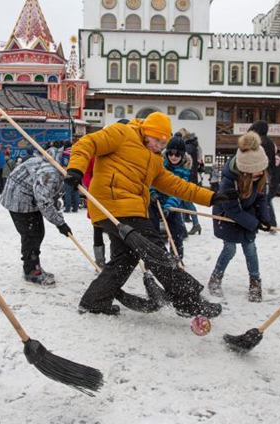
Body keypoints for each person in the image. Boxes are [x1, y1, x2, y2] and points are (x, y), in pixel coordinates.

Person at [64, 112, 235, 317]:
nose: (159, 147)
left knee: (125, 257)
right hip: (112, 204)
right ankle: (188, 300)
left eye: (163, 143)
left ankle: (95, 300)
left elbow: (175, 184)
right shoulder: (121, 133)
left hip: (132, 209)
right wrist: (76, 169)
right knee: (155, 250)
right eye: (157, 140)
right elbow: (87, 142)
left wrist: (211, 197)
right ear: (146, 131)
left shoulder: (153, 159)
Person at [207, 132, 273, 302]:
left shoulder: (259, 176)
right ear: (245, 170)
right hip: (226, 217)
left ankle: (255, 282)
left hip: (247, 214)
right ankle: (216, 277)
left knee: (250, 249)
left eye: (261, 170)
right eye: (255, 171)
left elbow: (260, 197)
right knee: (230, 249)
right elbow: (232, 210)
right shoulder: (229, 181)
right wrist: (254, 223)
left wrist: (265, 218)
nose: (259, 173)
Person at [0, 151, 71, 287]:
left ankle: (34, 265)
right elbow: (44, 201)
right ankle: (31, 271)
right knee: (31, 235)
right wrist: (60, 223)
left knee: (38, 233)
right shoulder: (50, 172)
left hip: (29, 199)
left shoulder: (53, 164)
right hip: (19, 201)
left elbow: (49, 195)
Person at [149, 133, 190, 259]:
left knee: (177, 231)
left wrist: (169, 206)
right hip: (155, 201)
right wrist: (152, 192)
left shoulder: (185, 170)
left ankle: (176, 257)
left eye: (177, 154)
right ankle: (155, 256)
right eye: (171, 153)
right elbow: (151, 179)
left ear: (182, 155)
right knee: (152, 229)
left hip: (172, 204)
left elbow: (179, 192)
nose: (173, 156)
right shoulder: (160, 164)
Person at [249, 121, 279, 228]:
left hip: (262, 173)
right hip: (268, 173)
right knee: (265, 199)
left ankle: (269, 222)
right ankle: (267, 221)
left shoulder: (260, 142)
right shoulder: (269, 142)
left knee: (264, 199)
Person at [178, 128, 203, 235]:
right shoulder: (195, 146)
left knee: (187, 202)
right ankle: (183, 225)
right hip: (191, 177)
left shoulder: (188, 147)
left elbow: (184, 162)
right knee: (184, 202)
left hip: (188, 178)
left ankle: (195, 224)